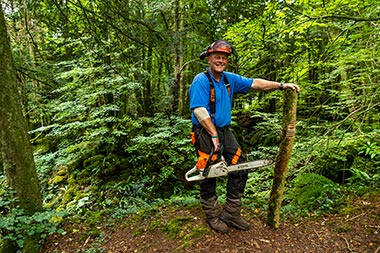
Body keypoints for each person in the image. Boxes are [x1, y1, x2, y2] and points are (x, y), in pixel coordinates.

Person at [189, 40, 300, 233]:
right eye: (217, 57)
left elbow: (256, 83)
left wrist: (281, 85)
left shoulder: (228, 79)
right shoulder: (201, 80)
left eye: (224, 58)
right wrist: (214, 136)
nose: (220, 60)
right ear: (209, 58)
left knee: (240, 165)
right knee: (209, 171)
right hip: (205, 132)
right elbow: (199, 110)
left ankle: (231, 212)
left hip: (224, 130)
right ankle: (212, 215)